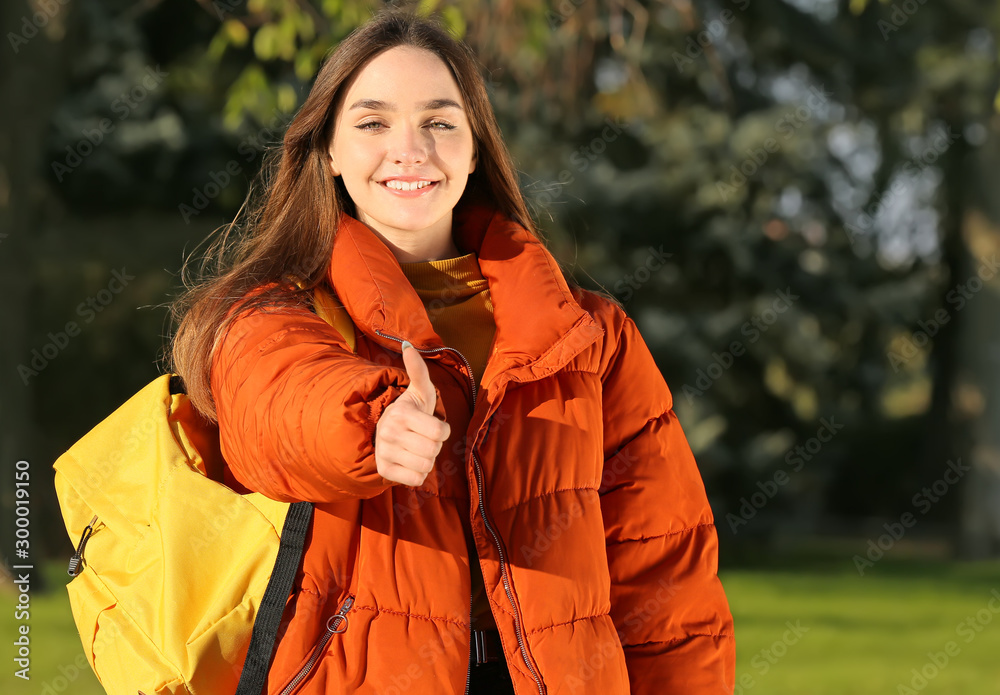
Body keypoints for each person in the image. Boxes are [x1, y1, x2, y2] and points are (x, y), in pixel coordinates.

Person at [168, 7, 734, 695]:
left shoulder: (593, 337)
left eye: (439, 122)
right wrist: (369, 426)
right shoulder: (274, 312)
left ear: (474, 149)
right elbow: (279, 403)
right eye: (373, 123)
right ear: (329, 151)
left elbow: (666, 581)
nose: (410, 149)